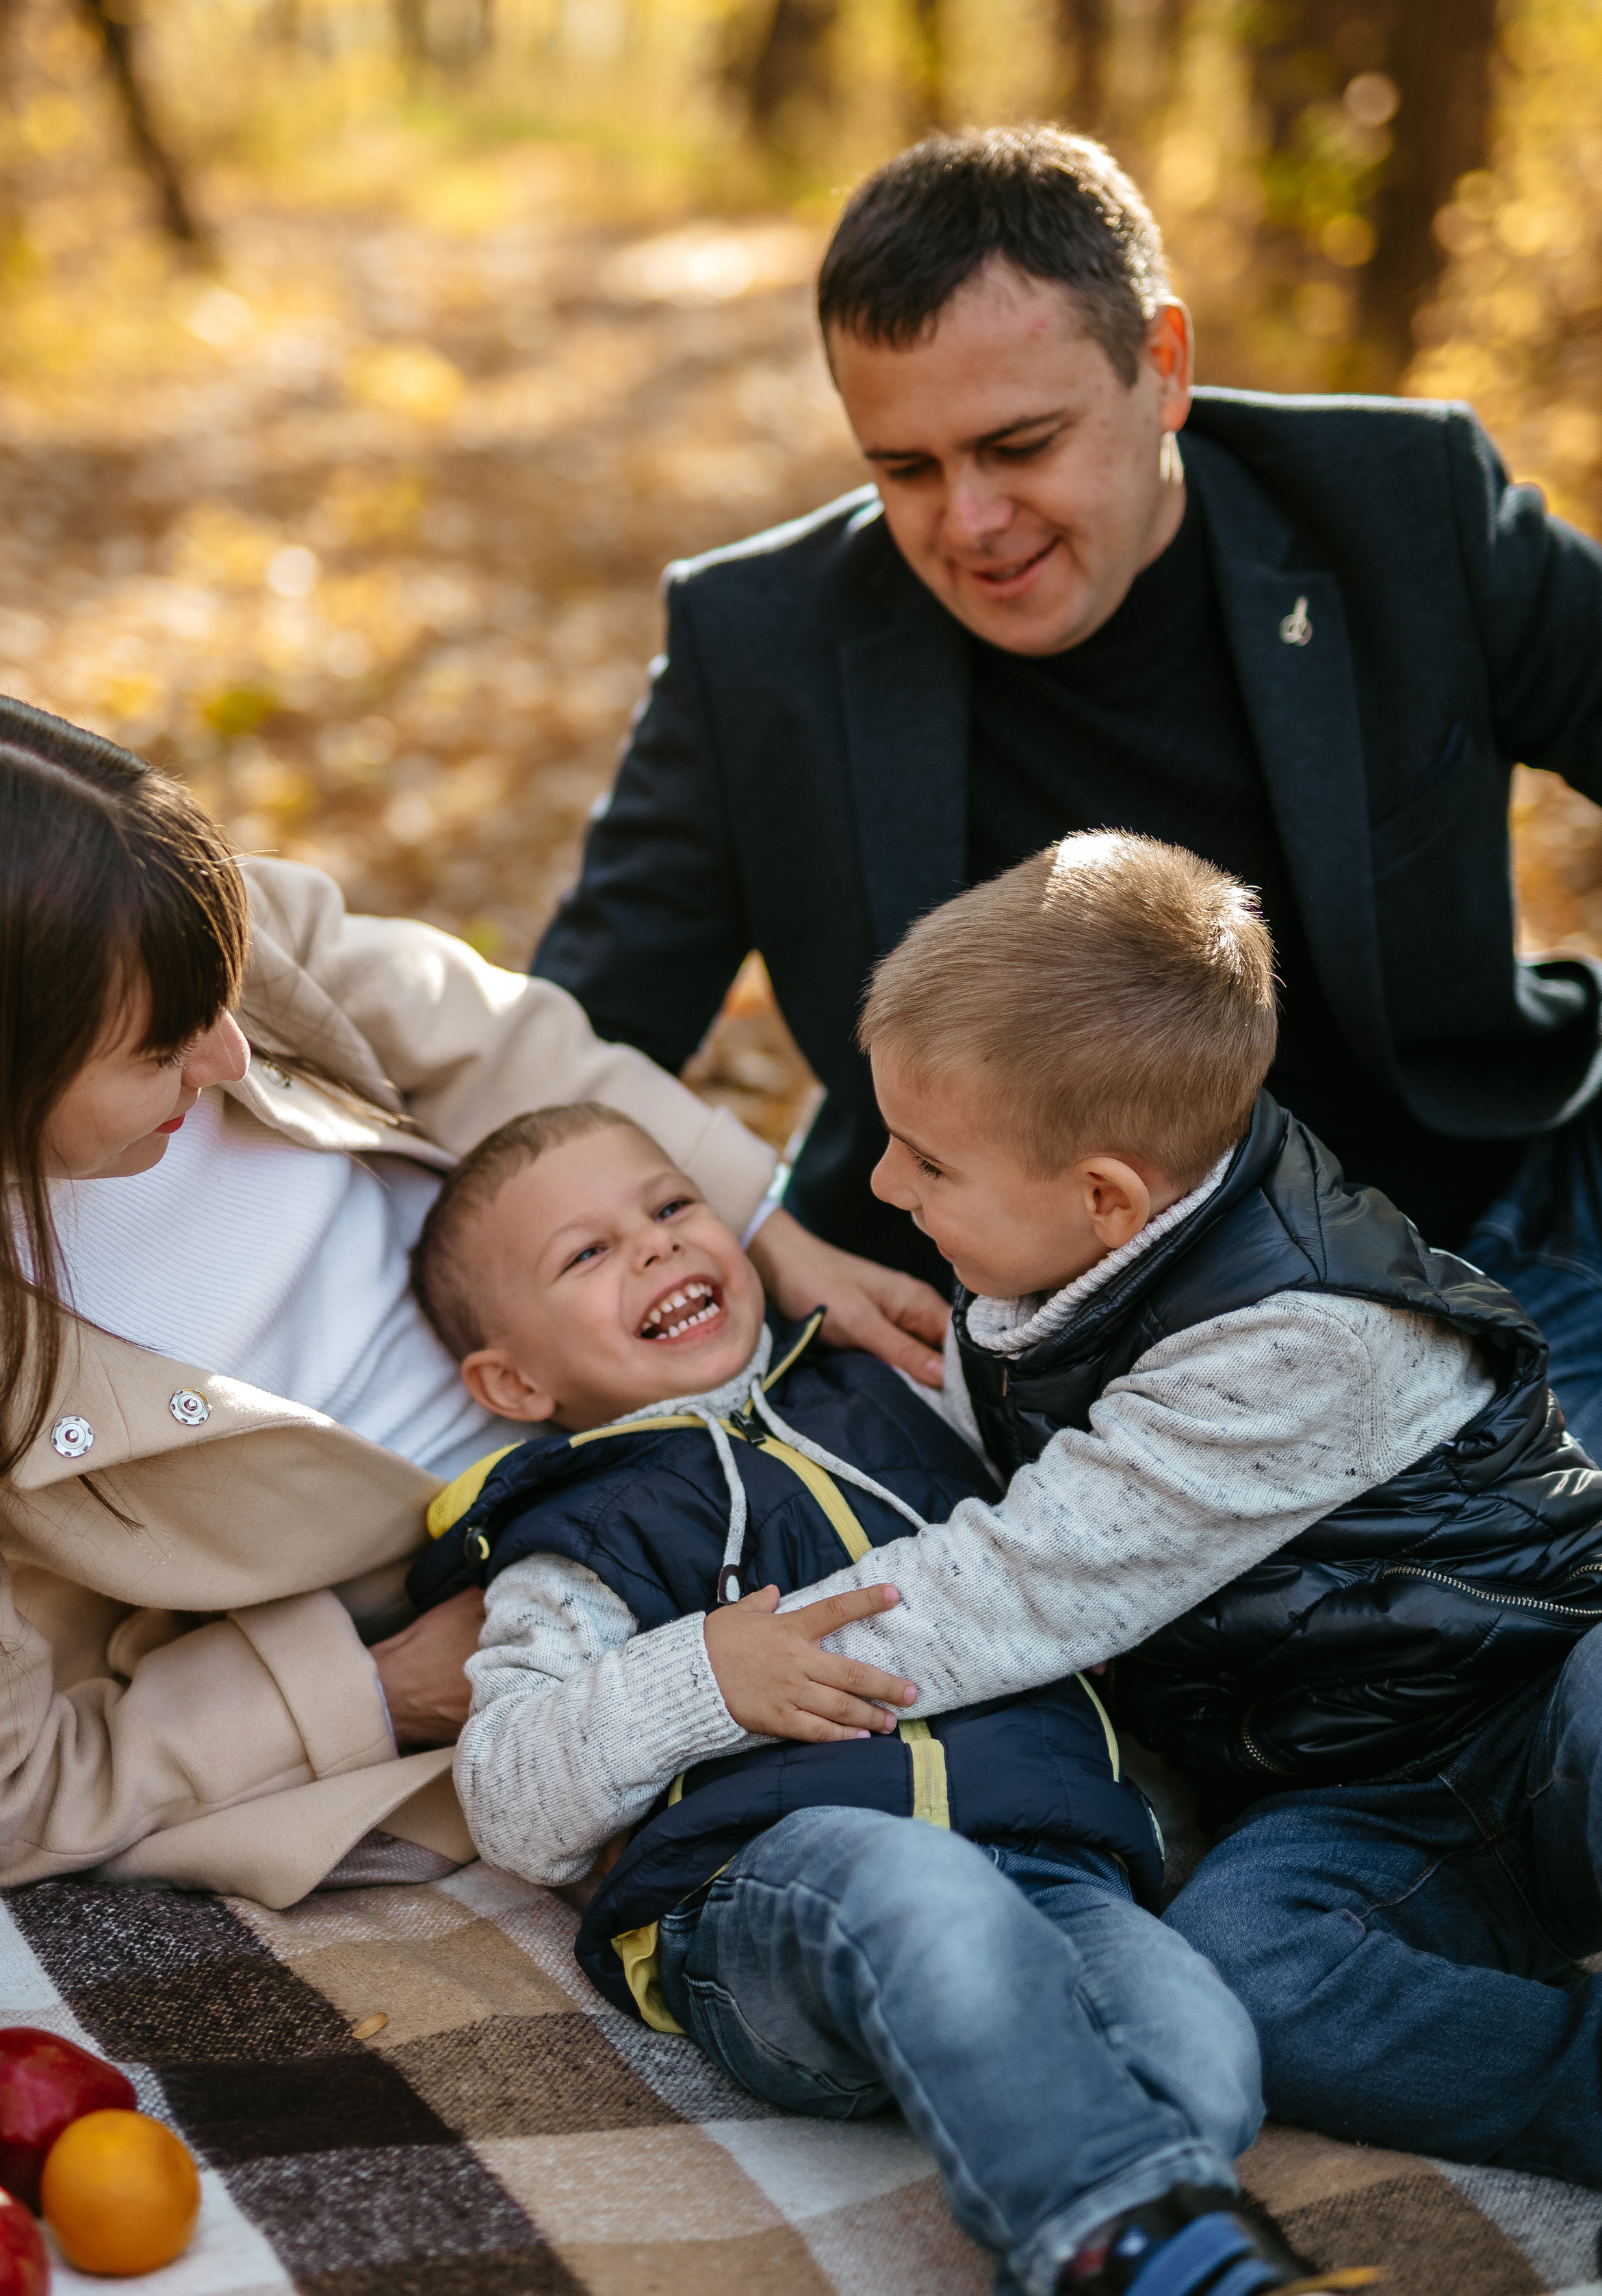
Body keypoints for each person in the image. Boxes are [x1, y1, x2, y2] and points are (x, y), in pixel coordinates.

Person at [0, 682, 937, 2007]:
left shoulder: (155, 932)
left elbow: (492, 1038)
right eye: (155, 1053)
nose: (232, 1052)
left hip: (700, 1377)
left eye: (223, 992)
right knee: (864, 1862)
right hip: (518, 1601)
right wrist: (372, 1689)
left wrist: (767, 1224)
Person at [543, 832, 1602, 2186]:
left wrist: (701, 1683)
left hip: (1540, 1686)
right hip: (1352, 1791)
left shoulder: (1296, 1338)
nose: (878, 1188)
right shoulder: (1054, 1269)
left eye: (923, 1163)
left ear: (1104, 1199)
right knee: (1249, 1975)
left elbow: (1004, 1590)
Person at [532, 123, 1602, 1462]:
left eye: (1017, 445)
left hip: (1480, 1251)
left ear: (1160, 367)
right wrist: (764, 1238)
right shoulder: (758, 651)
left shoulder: (1400, 510)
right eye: (902, 469)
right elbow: (567, 1048)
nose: (966, 522)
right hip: (1020, 1351)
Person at [403, 1102, 1362, 2296]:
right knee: (923, 1894)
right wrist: (706, 1674)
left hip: (1052, 1861)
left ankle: (1108, 2231)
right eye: (587, 1254)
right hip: (780, 1899)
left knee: (1203, 2050)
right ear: (512, 1378)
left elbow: (1077, 1532)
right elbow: (505, 1797)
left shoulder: (896, 1385)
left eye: (671, 1207)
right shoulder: (578, 1532)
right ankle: (1144, 2250)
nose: (655, 1247)